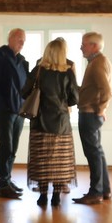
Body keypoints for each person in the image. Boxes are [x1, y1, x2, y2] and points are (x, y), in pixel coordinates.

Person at [23, 37, 79, 207]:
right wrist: (63, 102)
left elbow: (24, 92)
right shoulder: (67, 73)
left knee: (42, 160)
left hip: (40, 122)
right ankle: (56, 196)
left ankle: (42, 196)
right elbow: (75, 98)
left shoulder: (38, 71)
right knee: (60, 162)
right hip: (61, 123)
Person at [0, 28, 29, 199]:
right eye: (19, 39)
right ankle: (3, 184)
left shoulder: (23, 62)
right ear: (10, 38)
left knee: (13, 148)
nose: (22, 43)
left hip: (19, 113)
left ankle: (7, 180)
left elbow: (26, 87)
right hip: (5, 112)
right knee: (6, 147)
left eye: (24, 40)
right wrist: (1, 106)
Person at [73, 31, 112, 204]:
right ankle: (104, 190)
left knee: (93, 154)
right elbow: (93, 89)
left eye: (84, 44)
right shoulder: (99, 62)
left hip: (90, 114)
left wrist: (101, 109)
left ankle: (96, 192)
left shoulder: (97, 64)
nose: (81, 48)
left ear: (94, 46)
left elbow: (106, 91)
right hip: (92, 113)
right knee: (97, 152)